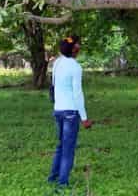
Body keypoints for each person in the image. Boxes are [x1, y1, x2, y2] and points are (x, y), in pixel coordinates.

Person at [48, 34, 92, 188]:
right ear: (75, 50)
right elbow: (77, 94)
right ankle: (62, 183)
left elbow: (53, 86)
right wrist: (84, 118)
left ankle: (53, 177)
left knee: (61, 145)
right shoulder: (75, 67)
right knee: (68, 149)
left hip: (58, 110)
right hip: (70, 112)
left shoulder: (57, 63)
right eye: (78, 45)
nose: (79, 48)